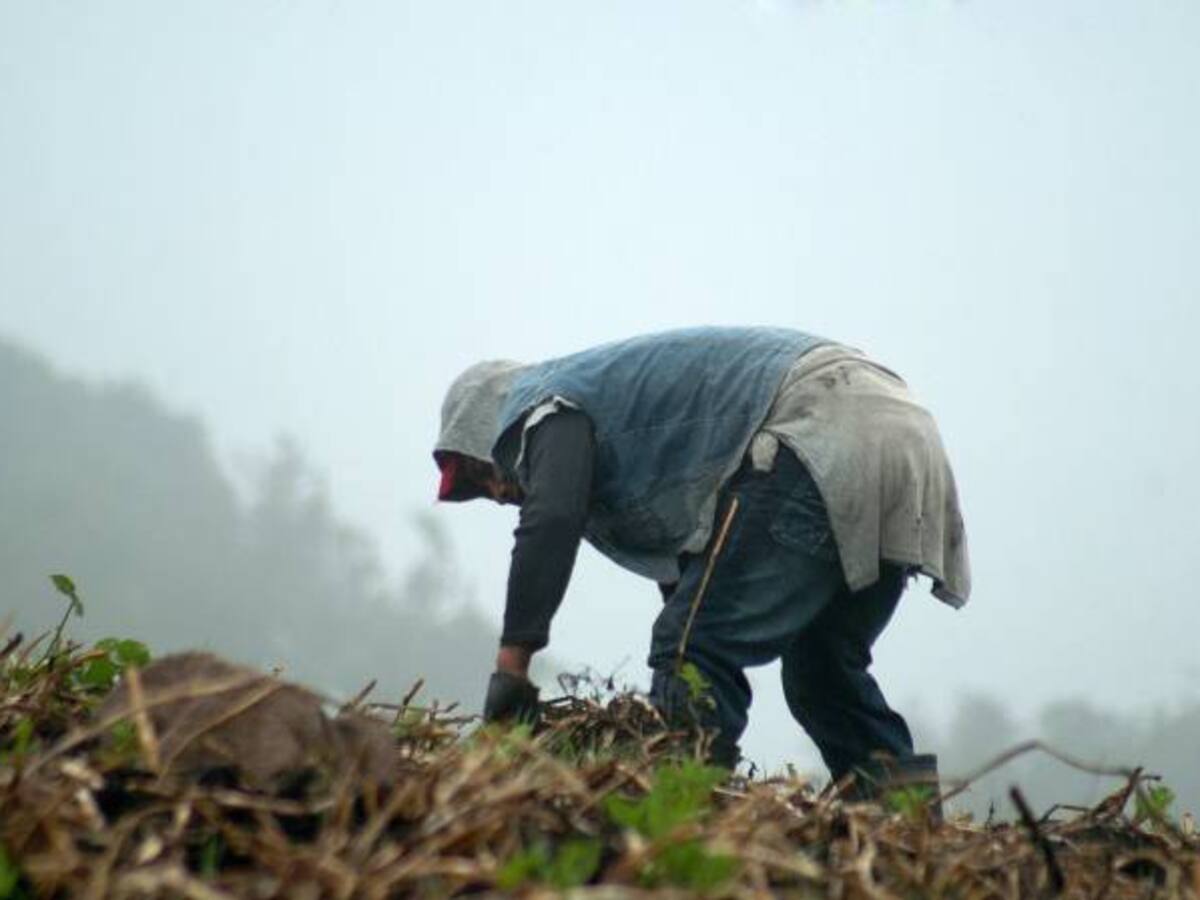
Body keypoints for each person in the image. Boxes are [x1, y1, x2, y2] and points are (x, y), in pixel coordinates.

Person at [432, 326, 969, 791]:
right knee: (822, 673)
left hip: (819, 421)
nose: (497, 493)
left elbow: (551, 519)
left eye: (481, 474)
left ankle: (686, 813)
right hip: (904, 433)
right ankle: (910, 828)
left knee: (690, 648)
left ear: (490, 424)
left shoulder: (542, 405)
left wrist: (512, 669)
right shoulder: (618, 408)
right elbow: (702, 573)